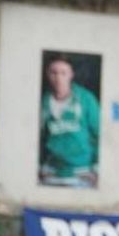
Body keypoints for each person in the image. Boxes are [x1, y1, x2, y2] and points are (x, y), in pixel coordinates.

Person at [39, 53, 100, 187]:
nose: (58, 78)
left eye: (63, 73)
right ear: (47, 74)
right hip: (51, 172)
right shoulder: (43, 102)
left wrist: (97, 169)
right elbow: (38, 137)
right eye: (53, 73)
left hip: (81, 172)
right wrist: (39, 166)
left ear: (71, 74)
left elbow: (100, 134)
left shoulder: (86, 99)